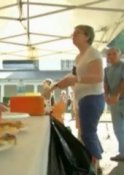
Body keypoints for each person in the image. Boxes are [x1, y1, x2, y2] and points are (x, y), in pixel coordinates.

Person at [51, 25, 105, 173]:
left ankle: (94, 167)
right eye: (73, 33)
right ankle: (96, 162)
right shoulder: (79, 57)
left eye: (77, 33)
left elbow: (98, 77)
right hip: (83, 99)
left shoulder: (93, 54)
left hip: (92, 98)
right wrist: (58, 84)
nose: (73, 35)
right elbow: (72, 77)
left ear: (87, 36)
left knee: (87, 133)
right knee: (87, 132)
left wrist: (75, 80)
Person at [104, 47, 124, 161]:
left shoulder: (122, 66)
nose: (110, 56)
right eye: (108, 54)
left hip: (122, 100)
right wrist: (106, 96)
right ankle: (122, 153)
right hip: (114, 104)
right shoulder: (106, 69)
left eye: (113, 54)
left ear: (119, 54)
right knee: (118, 129)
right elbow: (105, 84)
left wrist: (116, 95)